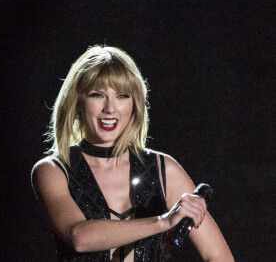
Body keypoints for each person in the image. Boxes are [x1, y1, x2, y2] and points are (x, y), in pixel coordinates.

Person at [31, 45, 234, 261]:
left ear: (135, 104)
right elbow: (79, 236)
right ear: (77, 103)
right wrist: (165, 221)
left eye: (122, 95)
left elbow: (219, 256)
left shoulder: (164, 169)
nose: (110, 108)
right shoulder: (53, 170)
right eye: (97, 95)